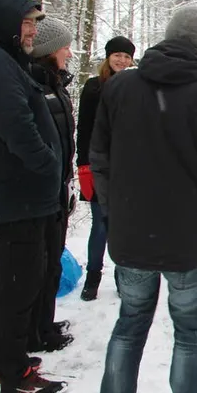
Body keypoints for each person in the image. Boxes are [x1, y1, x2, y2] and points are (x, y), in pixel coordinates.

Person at [90, 6, 197, 393]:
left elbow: (102, 161)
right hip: (187, 242)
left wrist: (118, 216)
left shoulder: (119, 88)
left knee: (129, 326)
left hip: (132, 237)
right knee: (190, 335)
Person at [0, 0, 68, 393]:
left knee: (4, 280)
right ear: (7, 25)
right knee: (19, 284)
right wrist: (48, 165)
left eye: (33, 25)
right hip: (16, 196)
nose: (30, 33)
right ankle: (15, 374)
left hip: (11, 193)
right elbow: (17, 127)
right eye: (26, 24)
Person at [28, 17, 77, 352]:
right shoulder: (35, 87)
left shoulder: (55, 85)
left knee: (52, 263)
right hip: (41, 192)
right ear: (49, 51)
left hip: (58, 187)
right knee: (38, 267)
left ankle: (44, 324)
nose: (70, 53)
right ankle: (33, 331)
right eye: (64, 47)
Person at [76, 36, 136, 300]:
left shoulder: (137, 88)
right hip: (99, 167)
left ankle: (122, 278)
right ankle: (93, 277)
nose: (121, 60)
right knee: (100, 225)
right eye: (117, 55)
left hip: (128, 169)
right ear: (108, 57)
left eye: (126, 56)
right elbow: (84, 129)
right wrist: (83, 165)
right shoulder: (93, 87)